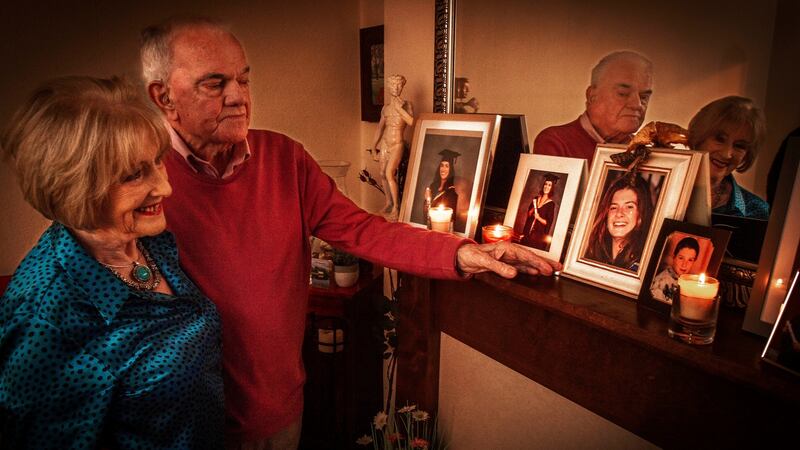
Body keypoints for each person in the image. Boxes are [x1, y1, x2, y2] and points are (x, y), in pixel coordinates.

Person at [139, 17, 560, 448]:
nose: (239, 97)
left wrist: (460, 252)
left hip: (278, 411)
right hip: (181, 426)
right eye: (215, 83)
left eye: (244, 80)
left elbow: (364, 231)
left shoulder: (284, 158)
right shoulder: (138, 178)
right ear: (164, 97)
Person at [0, 76, 223, 449]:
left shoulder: (150, 239)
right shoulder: (46, 317)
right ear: (76, 187)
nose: (165, 187)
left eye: (157, 162)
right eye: (134, 175)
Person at [533, 51, 653, 165]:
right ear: (592, 96)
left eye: (644, 97)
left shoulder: (644, 152)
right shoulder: (556, 142)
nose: (637, 104)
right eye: (623, 93)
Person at [688, 96, 769, 220]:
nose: (727, 154)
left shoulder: (755, 210)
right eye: (720, 139)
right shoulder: (662, 188)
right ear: (699, 137)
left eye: (739, 146)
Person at [584, 173, 654, 271]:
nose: (619, 213)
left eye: (629, 206)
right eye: (613, 207)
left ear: (642, 214)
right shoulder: (588, 251)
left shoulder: (646, 262)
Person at [369, 74, 414, 220]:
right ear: (389, 87)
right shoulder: (385, 109)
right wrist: (373, 147)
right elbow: (380, 129)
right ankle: (388, 202)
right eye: (394, 85)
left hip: (397, 144)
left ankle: (396, 207)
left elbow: (412, 122)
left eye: (399, 85)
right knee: (382, 173)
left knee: (390, 173)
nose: (396, 88)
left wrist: (399, 108)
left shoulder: (407, 105)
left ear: (402, 87)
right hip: (385, 143)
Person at [650, 236, 700, 303]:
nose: (684, 264)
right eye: (681, 258)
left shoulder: (693, 283)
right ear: (674, 257)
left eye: (690, 260)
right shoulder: (660, 282)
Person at [521, 173, 559, 250]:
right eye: (546, 184)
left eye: (549, 185)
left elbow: (548, 222)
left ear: (552, 188)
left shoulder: (551, 204)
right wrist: (534, 208)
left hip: (538, 235)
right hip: (528, 231)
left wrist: (538, 218)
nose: (546, 187)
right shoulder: (536, 199)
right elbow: (529, 214)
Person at [424, 149, 460, 228]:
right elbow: (425, 215)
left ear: (450, 170)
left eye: (447, 166)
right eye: (442, 165)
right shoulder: (433, 186)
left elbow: (450, 220)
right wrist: (427, 200)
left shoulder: (451, 193)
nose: (443, 169)